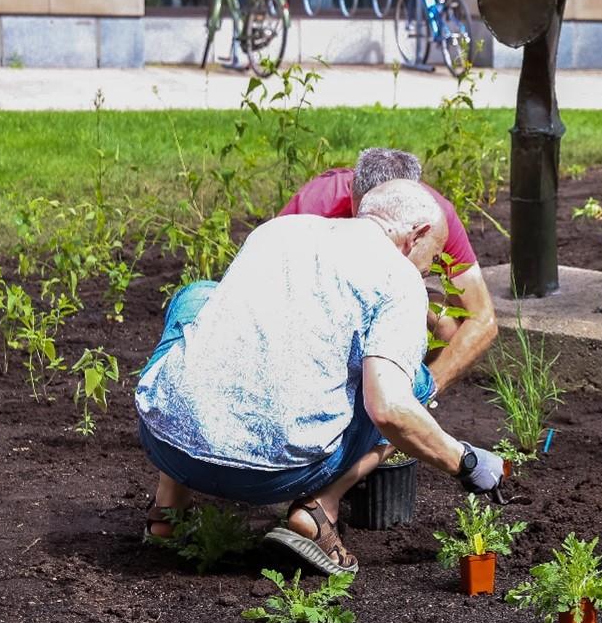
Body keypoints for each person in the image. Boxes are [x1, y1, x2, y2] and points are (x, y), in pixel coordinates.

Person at [136, 180, 504, 576]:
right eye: (431, 259)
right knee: (410, 383)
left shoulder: (276, 231)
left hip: (164, 441)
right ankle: (320, 510)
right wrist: (465, 462)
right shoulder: (400, 279)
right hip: (272, 477)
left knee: (197, 296)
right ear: (415, 236)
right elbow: (390, 410)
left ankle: (167, 508)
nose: (427, 270)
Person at [280, 148, 497, 397]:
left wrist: (422, 394)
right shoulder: (318, 205)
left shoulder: (435, 217)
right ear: (352, 194)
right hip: (318, 299)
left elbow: (482, 320)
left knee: (445, 323)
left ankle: (395, 401)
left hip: (389, 298)